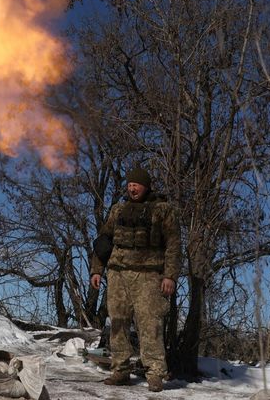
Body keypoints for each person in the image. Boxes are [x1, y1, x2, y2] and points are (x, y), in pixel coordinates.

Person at [90, 167, 181, 392]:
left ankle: (155, 373)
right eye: (130, 184)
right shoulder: (118, 210)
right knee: (118, 322)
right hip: (118, 273)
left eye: (137, 184)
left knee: (150, 324)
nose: (132, 188)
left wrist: (170, 275)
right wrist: (97, 270)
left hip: (149, 275)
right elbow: (103, 241)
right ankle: (120, 370)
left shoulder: (163, 210)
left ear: (146, 186)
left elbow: (173, 244)